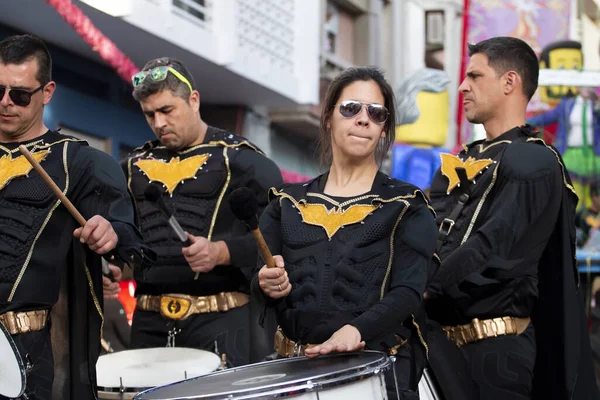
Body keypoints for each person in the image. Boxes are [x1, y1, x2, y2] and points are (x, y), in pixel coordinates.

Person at [425, 36, 598, 399]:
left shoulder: (534, 160)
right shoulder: (463, 158)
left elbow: (493, 248)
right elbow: (421, 232)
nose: (462, 85)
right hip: (437, 349)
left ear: (509, 82)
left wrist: (419, 286)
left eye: (474, 75)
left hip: (494, 353)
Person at [252, 66, 437, 400]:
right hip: (292, 373)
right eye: (350, 108)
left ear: (384, 130)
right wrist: (266, 282)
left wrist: (357, 330)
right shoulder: (285, 202)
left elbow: (409, 290)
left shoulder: (407, 205)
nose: (363, 119)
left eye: (376, 113)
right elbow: (257, 283)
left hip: (376, 371)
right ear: (328, 117)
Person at [0, 34, 152, 400]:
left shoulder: (79, 162)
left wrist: (109, 233)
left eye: (19, 94)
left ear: (46, 92)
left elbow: (127, 233)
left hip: (25, 351)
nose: (5, 102)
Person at [123, 57, 283, 367]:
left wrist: (223, 251)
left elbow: (278, 241)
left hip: (221, 324)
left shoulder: (245, 163)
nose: (159, 123)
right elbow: (124, 236)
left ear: (193, 100)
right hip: (148, 326)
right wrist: (114, 263)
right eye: (149, 114)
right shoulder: (131, 168)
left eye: (167, 110)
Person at [527, 86, 600, 208]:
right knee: (574, 190)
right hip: (571, 154)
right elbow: (547, 118)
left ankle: (590, 222)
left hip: (593, 155)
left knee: (591, 194)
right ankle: (574, 221)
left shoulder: (595, 105)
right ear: (577, 88)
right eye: (583, 86)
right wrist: (523, 120)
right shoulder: (566, 105)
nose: (587, 89)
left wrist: (597, 104)